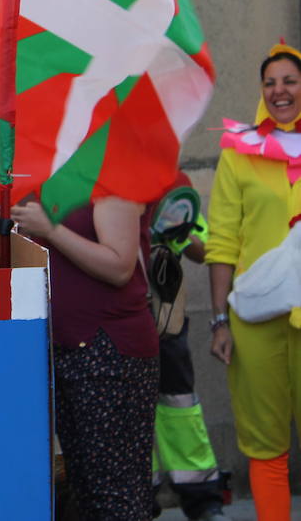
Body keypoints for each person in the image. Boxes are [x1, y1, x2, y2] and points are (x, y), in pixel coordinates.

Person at [11, 195, 158, 520]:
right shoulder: (58, 169)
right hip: (68, 344)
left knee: (115, 494)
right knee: (86, 489)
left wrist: (50, 229)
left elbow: (120, 267)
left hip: (105, 347)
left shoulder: (113, 172)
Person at [206, 42, 301, 521]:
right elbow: (221, 240)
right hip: (255, 320)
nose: (279, 90)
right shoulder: (240, 151)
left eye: (289, 80)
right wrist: (219, 320)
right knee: (265, 444)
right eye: (271, 82)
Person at [148, 176, 228, 520]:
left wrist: (176, 231)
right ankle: (138, 499)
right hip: (111, 317)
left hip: (166, 318)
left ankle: (201, 499)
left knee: (180, 404)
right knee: (126, 411)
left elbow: (205, 250)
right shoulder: (91, 173)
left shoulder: (171, 180)